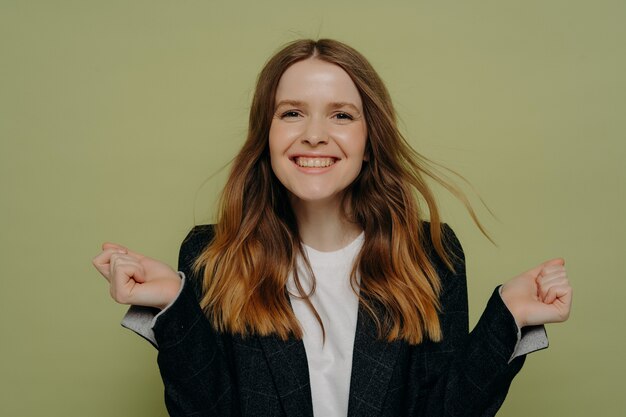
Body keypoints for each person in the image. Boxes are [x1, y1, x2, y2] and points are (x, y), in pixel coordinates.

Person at [92, 39, 572, 417]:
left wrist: (507, 318)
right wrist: (172, 309)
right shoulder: (210, 254)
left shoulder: (429, 252)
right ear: (267, 137)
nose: (315, 133)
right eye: (292, 113)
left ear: (368, 143)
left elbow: (444, 409)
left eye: (341, 115)